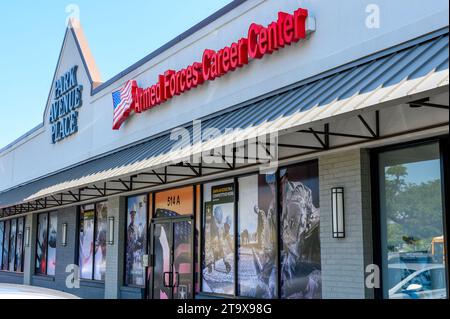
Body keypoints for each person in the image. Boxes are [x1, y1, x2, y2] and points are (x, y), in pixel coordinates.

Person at [252, 173, 277, 298]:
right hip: (267, 241)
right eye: (270, 184)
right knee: (267, 263)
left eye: (274, 184)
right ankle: (265, 285)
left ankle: (265, 285)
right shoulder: (272, 205)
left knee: (268, 263)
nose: (272, 187)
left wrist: (266, 242)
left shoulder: (264, 212)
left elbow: (268, 228)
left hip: (269, 242)